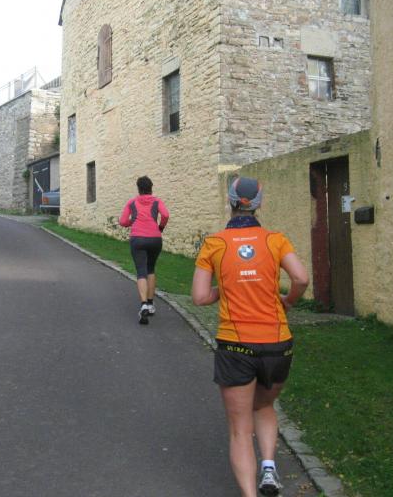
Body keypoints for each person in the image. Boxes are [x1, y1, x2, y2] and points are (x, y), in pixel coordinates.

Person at [191, 177, 309, 497]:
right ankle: (269, 468)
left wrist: (224, 288)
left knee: (240, 430)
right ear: (259, 204)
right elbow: (301, 278)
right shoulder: (275, 240)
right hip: (277, 345)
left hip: (236, 346)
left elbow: (199, 297)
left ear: (229, 201)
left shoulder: (214, 243)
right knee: (265, 404)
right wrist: (288, 301)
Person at [119, 176, 170, 325]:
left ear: (138, 188)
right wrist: (160, 227)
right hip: (155, 239)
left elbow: (122, 221)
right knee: (151, 269)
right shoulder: (157, 201)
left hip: (138, 239)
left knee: (141, 271)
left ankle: (143, 305)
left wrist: (132, 221)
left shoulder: (132, 202)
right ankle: (151, 303)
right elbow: (165, 215)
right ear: (151, 188)